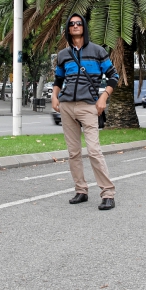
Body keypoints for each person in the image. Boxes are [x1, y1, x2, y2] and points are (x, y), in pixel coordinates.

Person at [52, 13, 119, 210]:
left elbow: (113, 76)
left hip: (88, 105)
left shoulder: (98, 51)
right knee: (73, 152)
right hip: (66, 106)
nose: (75, 26)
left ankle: (108, 193)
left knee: (94, 150)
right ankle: (81, 190)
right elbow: (58, 80)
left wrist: (103, 97)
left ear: (84, 27)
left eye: (78, 23)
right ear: (68, 29)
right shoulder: (63, 55)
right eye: (71, 24)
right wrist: (54, 96)